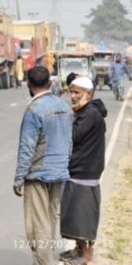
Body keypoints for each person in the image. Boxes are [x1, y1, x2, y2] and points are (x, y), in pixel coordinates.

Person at [13, 66, 74, 265]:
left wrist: (19, 178)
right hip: (59, 173)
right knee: (49, 221)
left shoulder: (34, 109)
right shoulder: (65, 106)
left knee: (38, 227)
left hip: (38, 174)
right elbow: (70, 142)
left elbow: (27, 148)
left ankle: (43, 262)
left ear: (29, 85)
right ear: (49, 83)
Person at [59, 77, 107, 265]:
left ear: (89, 94)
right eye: (70, 92)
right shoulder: (85, 110)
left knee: (83, 215)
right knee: (76, 214)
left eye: (76, 92)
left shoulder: (89, 113)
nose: (72, 96)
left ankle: (88, 258)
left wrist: (66, 120)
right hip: (80, 168)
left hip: (85, 169)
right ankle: (79, 251)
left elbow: (74, 136)